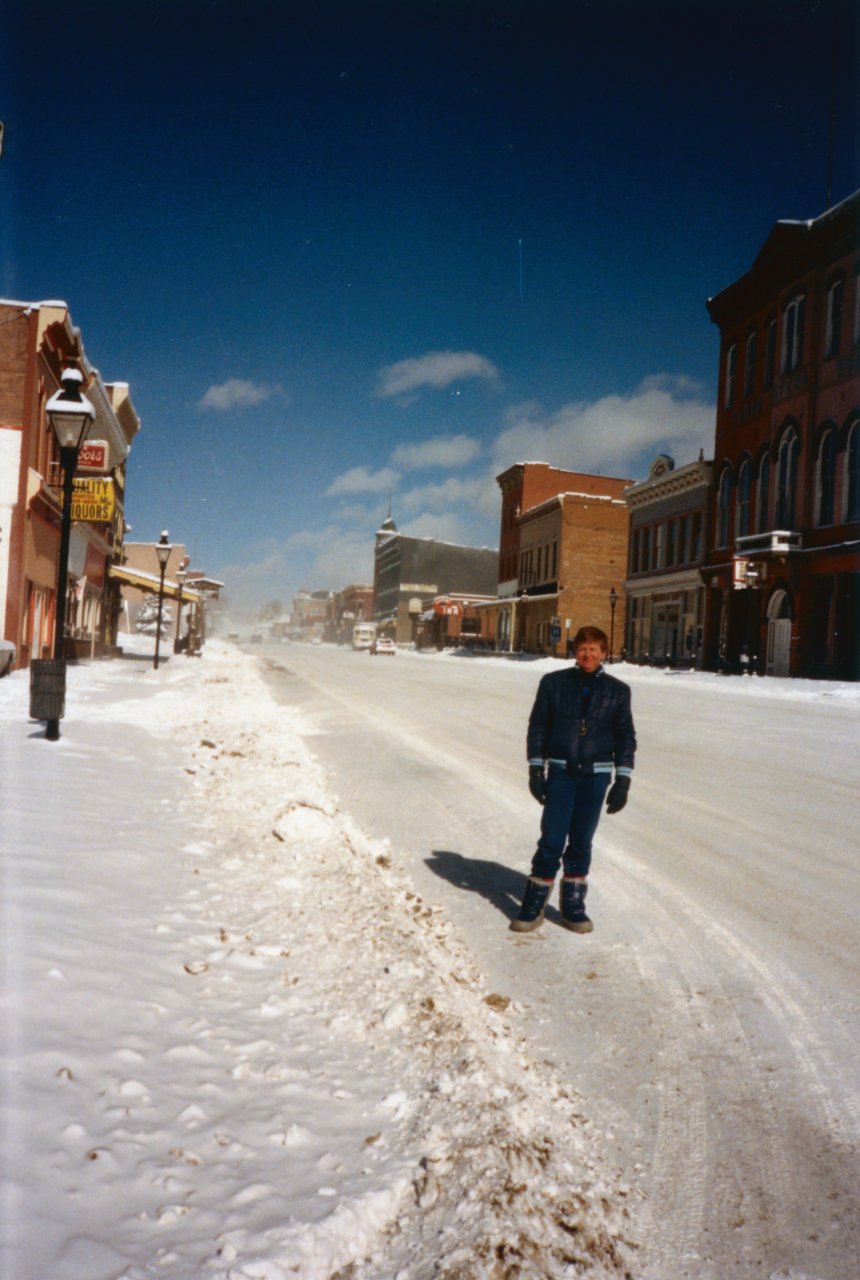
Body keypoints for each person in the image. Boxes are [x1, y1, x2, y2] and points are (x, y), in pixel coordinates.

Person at [511, 625, 636, 934]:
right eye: (583, 648)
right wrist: (535, 768)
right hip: (562, 774)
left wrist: (622, 780)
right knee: (552, 839)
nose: (588, 654)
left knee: (581, 841)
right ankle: (532, 905)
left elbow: (625, 737)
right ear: (574, 652)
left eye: (594, 649)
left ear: (605, 653)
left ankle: (573, 907)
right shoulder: (553, 684)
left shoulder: (618, 691)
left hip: (596, 777)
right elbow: (538, 725)